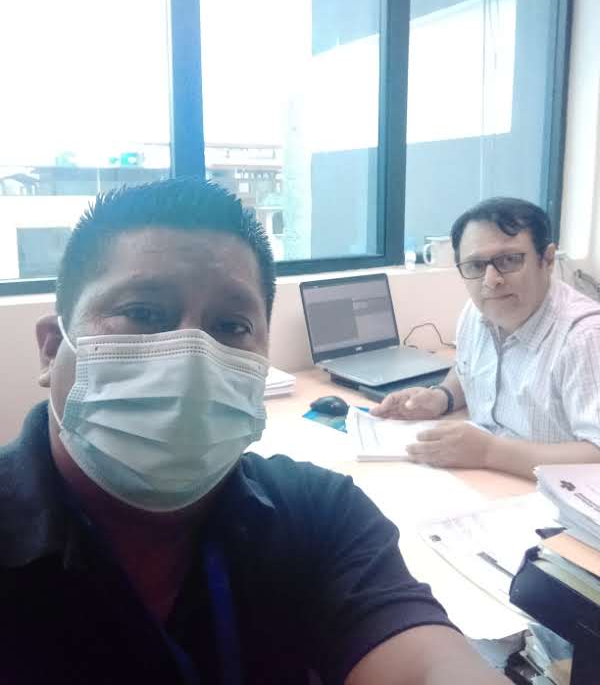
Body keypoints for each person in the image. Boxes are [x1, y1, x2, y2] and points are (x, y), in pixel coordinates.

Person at [0, 178, 507, 684]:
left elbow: (426, 665)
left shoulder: (319, 514)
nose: (192, 356)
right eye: (143, 312)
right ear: (51, 348)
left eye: (231, 325)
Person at [372, 197, 600, 479]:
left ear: (548, 259)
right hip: (484, 481)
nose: (491, 281)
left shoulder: (585, 337)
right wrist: (440, 397)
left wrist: (489, 452)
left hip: (551, 497)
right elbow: (468, 370)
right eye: (476, 266)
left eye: (509, 260)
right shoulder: (476, 312)